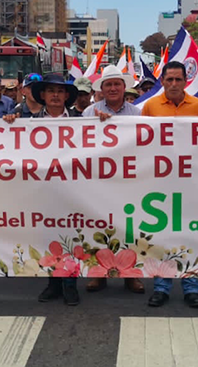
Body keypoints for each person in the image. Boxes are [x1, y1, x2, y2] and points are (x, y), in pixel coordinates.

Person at [3, 73, 83, 305]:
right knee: (48, 236)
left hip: (75, 189)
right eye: (50, 91)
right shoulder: (28, 122)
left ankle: (70, 284)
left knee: (71, 237)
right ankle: (53, 282)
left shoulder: (82, 120)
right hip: (44, 190)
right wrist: (10, 123)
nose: (55, 95)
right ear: (43, 95)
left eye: (60, 91)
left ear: (67, 95)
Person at [142, 61, 198, 309]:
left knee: (191, 235)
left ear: (185, 81)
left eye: (178, 79)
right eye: (168, 80)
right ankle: (162, 286)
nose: (173, 84)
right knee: (163, 234)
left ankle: (191, 287)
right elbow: (139, 140)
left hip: (191, 181)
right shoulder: (151, 106)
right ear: (162, 82)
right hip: (160, 181)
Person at [81, 66, 145, 295]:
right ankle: (98, 273)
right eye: (108, 84)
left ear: (124, 87)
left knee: (129, 227)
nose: (113, 88)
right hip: (99, 178)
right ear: (102, 89)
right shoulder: (89, 113)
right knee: (98, 224)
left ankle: (130, 276)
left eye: (117, 83)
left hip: (128, 178)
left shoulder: (137, 114)